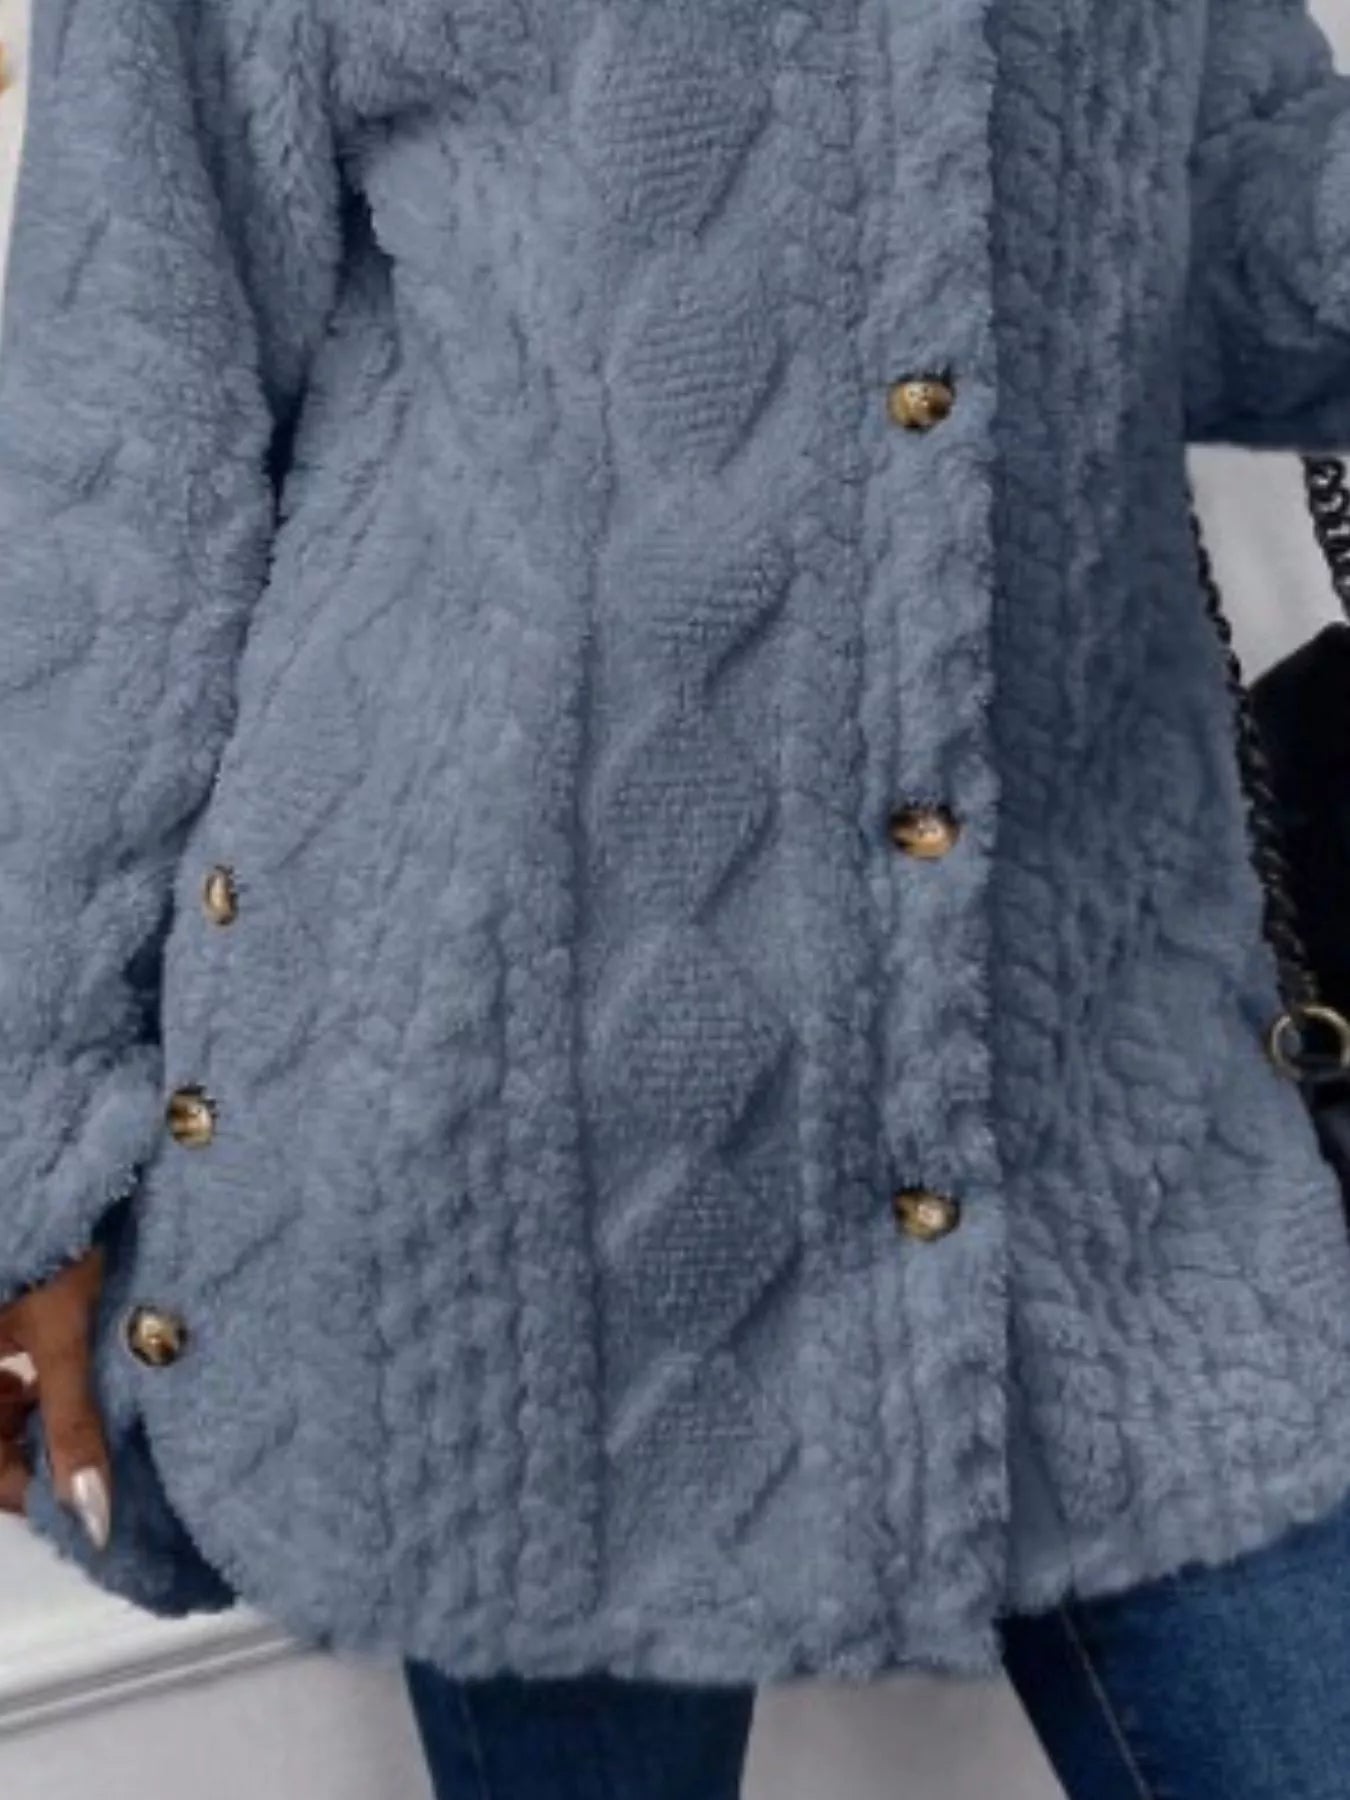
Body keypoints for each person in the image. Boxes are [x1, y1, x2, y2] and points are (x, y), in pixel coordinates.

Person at [1, 0, 1349, 1794]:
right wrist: (35, 1142)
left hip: (1088, 1099)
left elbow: (1219, 240)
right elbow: (120, 450)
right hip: (522, 1161)